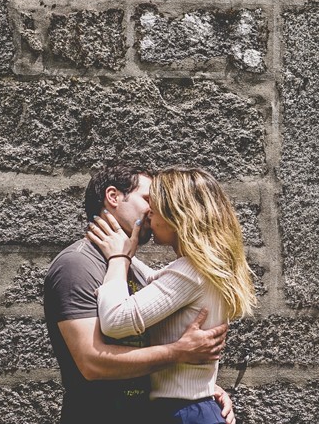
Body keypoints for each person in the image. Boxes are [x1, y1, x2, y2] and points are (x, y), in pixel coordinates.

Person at [44, 164, 234, 424]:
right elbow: (92, 363)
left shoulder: (128, 265)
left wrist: (200, 391)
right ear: (113, 197)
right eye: (147, 199)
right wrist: (179, 353)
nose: (152, 210)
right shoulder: (77, 265)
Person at [89, 166, 259, 424]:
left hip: (184, 414)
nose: (149, 216)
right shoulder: (199, 269)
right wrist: (125, 253)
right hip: (194, 408)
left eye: (155, 210)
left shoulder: (191, 272)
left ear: (177, 216)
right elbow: (154, 283)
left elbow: (116, 321)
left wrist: (119, 258)